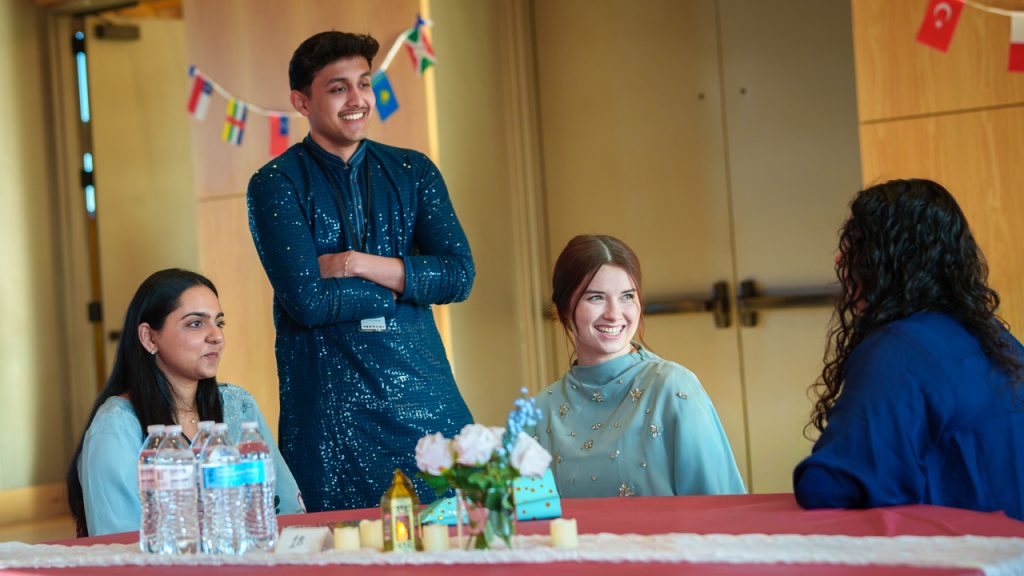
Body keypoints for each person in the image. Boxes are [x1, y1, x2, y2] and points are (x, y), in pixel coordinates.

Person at [247, 31, 474, 511]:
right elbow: (307, 302)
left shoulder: (413, 172)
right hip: (330, 412)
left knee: (450, 543)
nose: (357, 100)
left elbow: (458, 276)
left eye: (364, 84)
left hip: (424, 399)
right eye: (338, 88)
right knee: (338, 551)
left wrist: (355, 265)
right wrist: (397, 289)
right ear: (301, 102)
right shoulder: (275, 184)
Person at [794, 179, 1024, 520]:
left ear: (893, 257)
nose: (841, 257)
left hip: (965, 556)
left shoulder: (898, 351)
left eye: (857, 243)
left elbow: (829, 486)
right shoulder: (1000, 340)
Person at [65, 269, 304, 537]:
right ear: (149, 337)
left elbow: (285, 509)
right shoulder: (117, 425)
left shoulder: (238, 405)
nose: (217, 337)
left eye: (219, 323)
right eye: (196, 324)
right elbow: (120, 543)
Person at [534, 234, 745, 497]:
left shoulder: (674, 388)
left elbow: (721, 512)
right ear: (564, 308)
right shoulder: (538, 412)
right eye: (596, 298)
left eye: (626, 296)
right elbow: (531, 523)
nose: (614, 313)